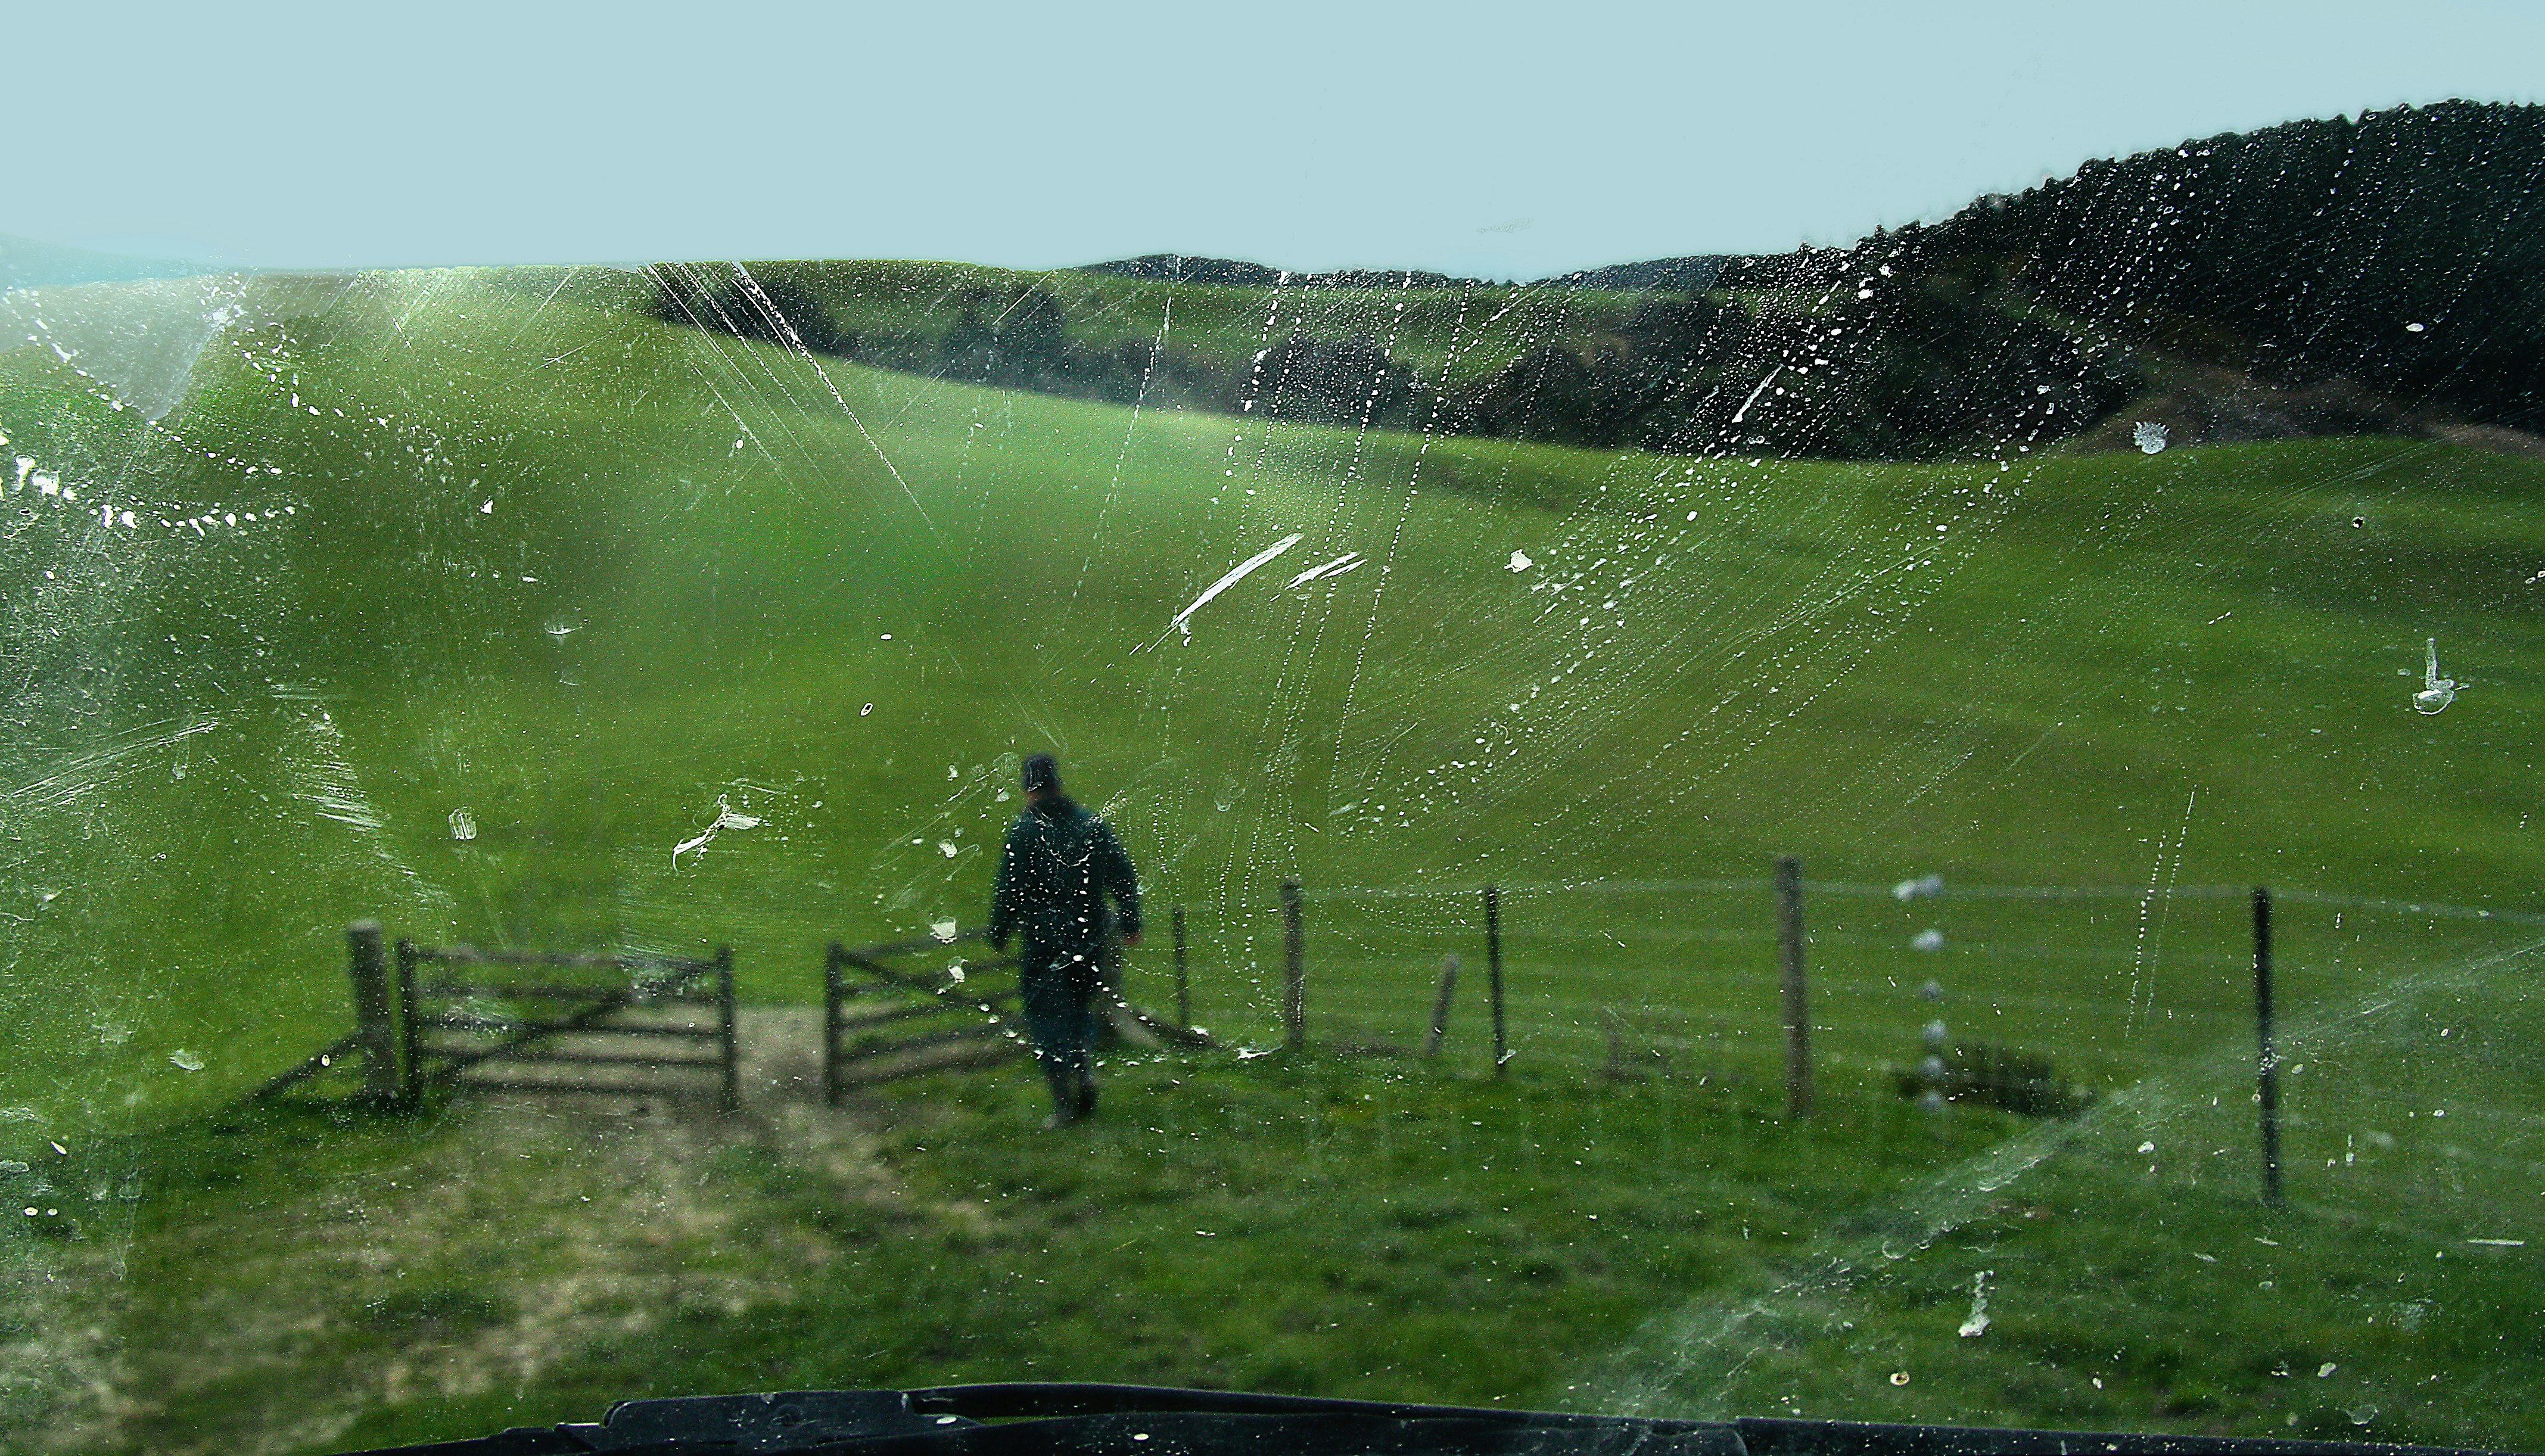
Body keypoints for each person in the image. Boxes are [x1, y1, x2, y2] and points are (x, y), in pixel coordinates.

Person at [987, 753, 1141, 1127]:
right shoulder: (1091, 824)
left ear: (1028, 789)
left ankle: (1063, 1101)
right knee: (1080, 1007)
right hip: (1089, 935)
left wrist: (999, 931)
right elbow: (1123, 874)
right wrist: (1131, 922)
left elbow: (1009, 889)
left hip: (1043, 939)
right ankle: (1084, 1072)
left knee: (1046, 1017)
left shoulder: (1024, 831)